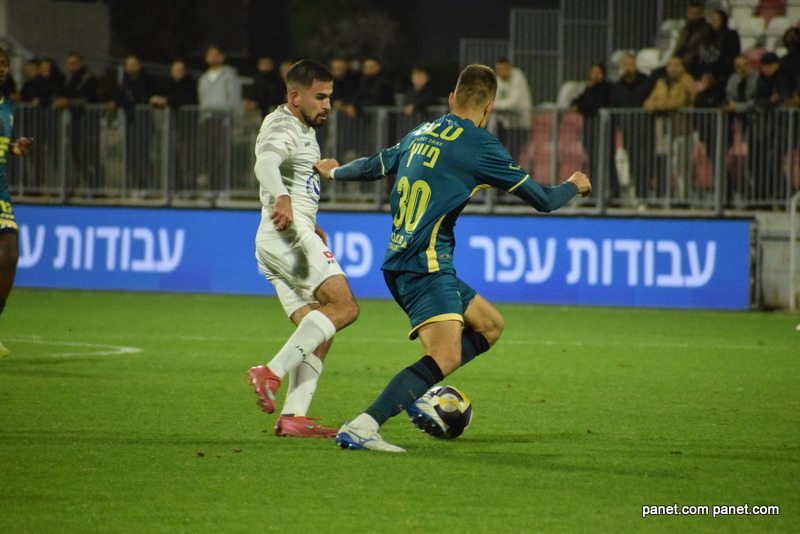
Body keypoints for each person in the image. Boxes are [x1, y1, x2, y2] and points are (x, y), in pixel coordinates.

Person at [313, 64, 591, 452]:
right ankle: (365, 425)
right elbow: (544, 200)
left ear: (451, 98)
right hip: (424, 265)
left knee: (490, 325)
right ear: (490, 106)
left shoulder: (422, 131)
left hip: (403, 259)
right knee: (445, 356)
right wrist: (574, 185)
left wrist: (335, 173)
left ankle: (418, 387)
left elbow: (377, 164)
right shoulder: (481, 145)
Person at [246, 60, 360, 438]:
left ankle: (293, 417)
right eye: (320, 97)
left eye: (330, 97)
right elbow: (266, 162)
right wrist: (282, 198)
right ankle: (271, 372)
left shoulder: (303, 129)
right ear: (296, 97)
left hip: (280, 237)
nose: (328, 105)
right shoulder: (284, 124)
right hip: (287, 237)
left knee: (319, 327)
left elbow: (293, 180)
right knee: (344, 307)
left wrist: (309, 220)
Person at [0, 48, 34, 356]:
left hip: (0, 192)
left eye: (5, 64)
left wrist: (14, 149)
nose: (1, 68)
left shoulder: (8, 106)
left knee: (9, 255)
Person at [644, 56, 696, 198]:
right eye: (670, 65)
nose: (673, 68)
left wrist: (659, 106)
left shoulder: (687, 81)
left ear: (683, 67)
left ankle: (684, 198)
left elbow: (680, 102)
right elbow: (648, 102)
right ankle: (665, 196)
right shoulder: (661, 82)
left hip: (682, 130)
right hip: (664, 131)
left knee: (681, 166)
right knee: (664, 164)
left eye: (677, 65)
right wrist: (656, 105)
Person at [197, 45, 241, 191]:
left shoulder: (229, 75)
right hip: (207, 119)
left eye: (216, 54)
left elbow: (234, 97)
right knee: (208, 153)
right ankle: (211, 187)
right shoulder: (204, 78)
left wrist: (231, 115)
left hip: (223, 120)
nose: (213, 57)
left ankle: (222, 187)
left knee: (221, 154)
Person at [696, 10, 740, 84]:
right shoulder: (705, 35)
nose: (714, 22)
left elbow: (733, 56)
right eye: (713, 19)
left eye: (717, 19)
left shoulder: (730, 35)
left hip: (722, 74)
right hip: (705, 72)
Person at [674, 0, 713, 79]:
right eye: (691, 13)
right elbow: (679, 47)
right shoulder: (686, 28)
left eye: (697, 13)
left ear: (702, 13)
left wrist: (682, 62)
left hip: (694, 64)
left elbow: (699, 51)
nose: (694, 16)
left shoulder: (706, 30)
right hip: (680, 61)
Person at [493, 58, 532, 129]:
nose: (501, 72)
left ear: (509, 67)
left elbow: (513, 102)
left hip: (521, 124)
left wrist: (494, 105)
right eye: (499, 70)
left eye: (503, 69)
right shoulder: (498, 80)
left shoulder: (518, 78)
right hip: (505, 124)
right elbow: (494, 98)